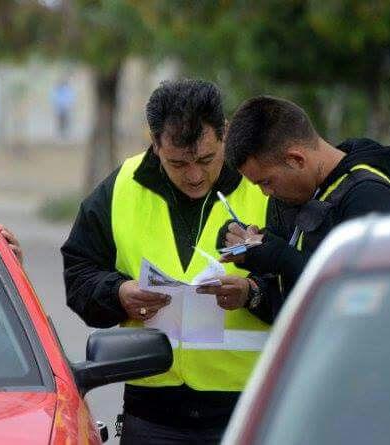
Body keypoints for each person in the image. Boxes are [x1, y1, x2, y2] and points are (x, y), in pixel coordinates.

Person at [60, 80, 289, 444]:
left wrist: (252, 293)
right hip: (152, 413)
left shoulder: (265, 187)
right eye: (178, 163)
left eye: (206, 160)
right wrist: (118, 294)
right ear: (155, 142)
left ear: (225, 133)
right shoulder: (122, 187)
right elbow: (79, 273)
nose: (194, 176)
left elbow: (305, 283)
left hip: (248, 410)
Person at [218, 96, 390, 321]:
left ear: (296, 160)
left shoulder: (368, 196)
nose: (265, 193)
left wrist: (281, 257)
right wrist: (251, 289)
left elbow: (368, 298)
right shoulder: (296, 196)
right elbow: (290, 301)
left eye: (266, 182)